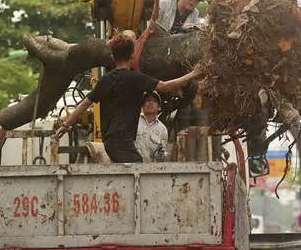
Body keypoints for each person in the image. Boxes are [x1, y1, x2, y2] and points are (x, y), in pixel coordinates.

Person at [54, 33, 200, 163]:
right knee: (138, 172)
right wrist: (193, 74)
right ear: (132, 56)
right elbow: (165, 86)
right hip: (121, 141)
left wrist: (65, 125)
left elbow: (84, 104)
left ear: (112, 56)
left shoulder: (105, 80)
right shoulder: (135, 79)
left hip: (112, 141)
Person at [135, 92, 169, 162]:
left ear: (159, 108)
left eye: (154, 101)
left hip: (150, 170)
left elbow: (160, 156)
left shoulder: (162, 129)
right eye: (148, 100)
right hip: (132, 166)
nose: (150, 103)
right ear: (142, 106)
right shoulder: (133, 122)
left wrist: (161, 154)